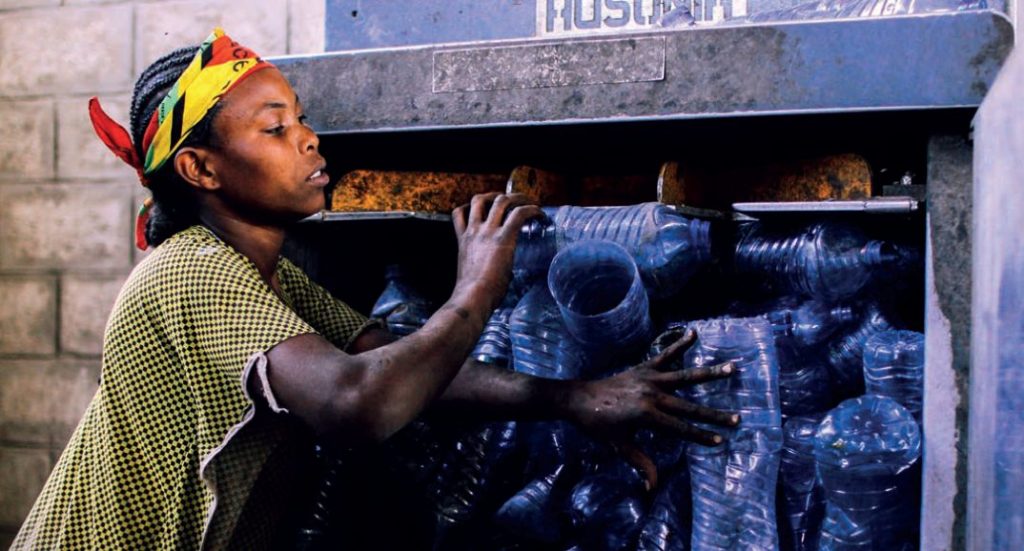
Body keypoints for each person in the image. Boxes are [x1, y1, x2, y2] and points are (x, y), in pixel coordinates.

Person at [11, 28, 737, 550]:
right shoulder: (189, 270)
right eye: (274, 129)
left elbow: (396, 362)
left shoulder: (266, 272)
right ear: (202, 170)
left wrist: (572, 399)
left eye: (300, 118)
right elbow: (359, 401)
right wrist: (480, 282)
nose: (309, 140)